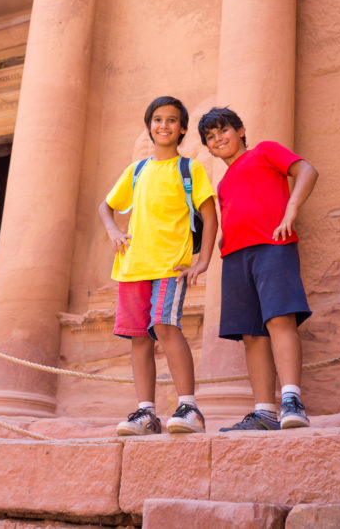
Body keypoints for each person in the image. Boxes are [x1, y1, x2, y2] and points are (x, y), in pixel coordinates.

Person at [99, 96, 218, 435]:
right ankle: (146, 413)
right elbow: (106, 207)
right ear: (149, 126)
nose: (163, 126)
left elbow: (210, 216)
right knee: (138, 338)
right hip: (132, 266)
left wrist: (204, 260)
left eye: (171, 120)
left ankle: (189, 407)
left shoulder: (189, 169)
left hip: (170, 266)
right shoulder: (136, 170)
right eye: (157, 120)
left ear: (182, 129)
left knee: (165, 327)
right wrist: (113, 232)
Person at [198, 106, 318, 431]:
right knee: (251, 334)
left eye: (223, 130)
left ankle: (292, 400)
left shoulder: (264, 150)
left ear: (239, 130)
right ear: (207, 147)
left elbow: (307, 170)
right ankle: (264, 412)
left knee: (279, 318)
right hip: (235, 257)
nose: (218, 139)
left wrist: (292, 207)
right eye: (210, 137)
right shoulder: (221, 184)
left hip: (273, 244)